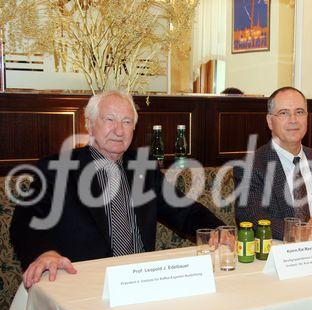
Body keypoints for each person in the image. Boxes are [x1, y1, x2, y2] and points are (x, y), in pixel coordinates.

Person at [10, 90, 224, 288]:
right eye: (110, 120)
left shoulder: (143, 168)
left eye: (127, 121)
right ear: (89, 124)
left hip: (142, 281)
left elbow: (182, 210)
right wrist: (45, 253)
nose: (119, 130)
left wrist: (218, 230)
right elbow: (25, 221)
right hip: (83, 284)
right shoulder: (56, 169)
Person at [234, 87, 312, 239]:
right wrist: (304, 229)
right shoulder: (251, 166)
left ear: (307, 117)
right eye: (284, 113)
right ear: (270, 121)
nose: (293, 120)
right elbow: (252, 219)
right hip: (281, 250)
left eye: (299, 112)